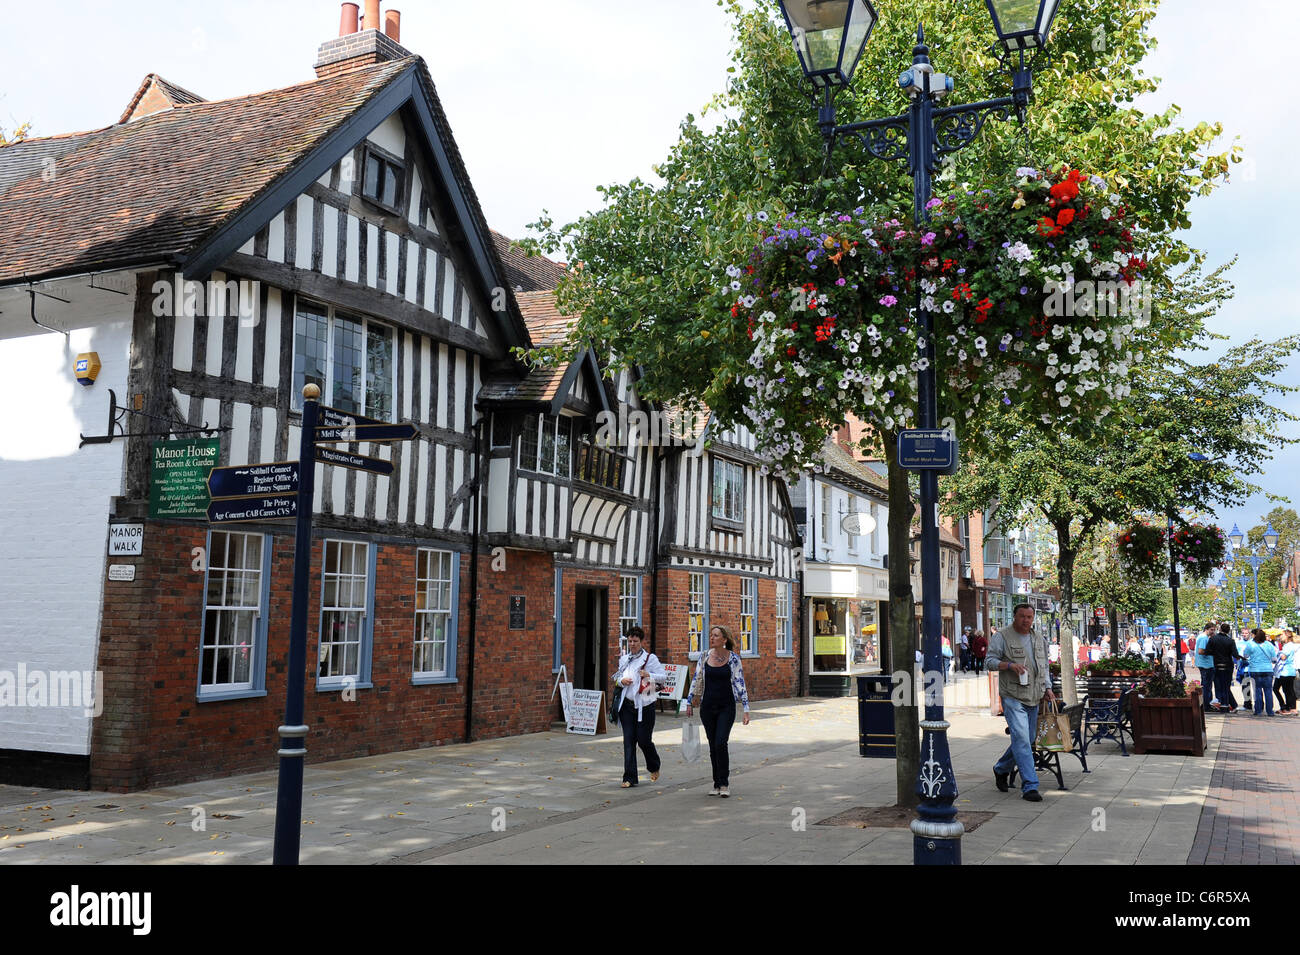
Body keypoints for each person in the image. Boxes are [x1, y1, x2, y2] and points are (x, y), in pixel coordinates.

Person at [987, 603, 1054, 803]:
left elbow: (1044, 666)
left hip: (1035, 695)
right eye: (1022, 616)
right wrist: (1009, 665)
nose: (1026, 620)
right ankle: (1030, 786)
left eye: (1029, 617)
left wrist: (1048, 688)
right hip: (1013, 696)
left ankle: (1001, 768)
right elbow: (989, 661)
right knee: (1023, 740)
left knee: (1027, 738)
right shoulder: (1002, 636)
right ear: (1014, 616)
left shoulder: (1038, 638)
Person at [684, 625, 751, 797]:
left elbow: (740, 682)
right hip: (707, 707)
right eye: (711, 635)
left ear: (724, 639)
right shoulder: (704, 656)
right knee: (713, 745)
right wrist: (689, 701)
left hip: (726, 707)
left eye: (715, 635)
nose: (711, 638)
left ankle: (724, 783)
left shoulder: (734, 659)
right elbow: (696, 678)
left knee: (721, 742)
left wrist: (745, 708)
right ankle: (716, 783)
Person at [612, 627, 666, 788]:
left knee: (643, 740)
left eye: (635, 641)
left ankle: (654, 765)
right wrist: (622, 681)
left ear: (641, 642)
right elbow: (616, 678)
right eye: (630, 641)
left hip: (645, 705)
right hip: (627, 707)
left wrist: (649, 675)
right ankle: (629, 777)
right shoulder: (624, 659)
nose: (632, 644)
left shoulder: (650, 659)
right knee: (628, 741)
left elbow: (663, 677)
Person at [1241, 628, 1277, 717]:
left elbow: (1246, 655)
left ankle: (1258, 710)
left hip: (1255, 670)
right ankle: (1270, 711)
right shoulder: (1269, 645)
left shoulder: (1250, 644)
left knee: (1257, 690)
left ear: (1254, 635)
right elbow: (1274, 658)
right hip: (1268, 670)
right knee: (1268, 691)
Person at [1207, 624, 1241, 713]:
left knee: (1218, 685)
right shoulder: (1230, 641)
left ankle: (1224, 704)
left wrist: (1215, 653)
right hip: (1228, 665)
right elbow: (1235, 654)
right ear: (1228, 631)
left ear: (1220, 629)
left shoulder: (1213, 639)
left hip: (1216, 664)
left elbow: (1208, 651)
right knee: (1226, 686)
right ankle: (1227, 705)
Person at [1194, 622, 1217, 711]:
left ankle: (1207, 704)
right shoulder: (1204, 638)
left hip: (1204, 664)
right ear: (1206, 629)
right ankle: (1206, 705)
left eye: (1214, 630)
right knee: (1207, 686)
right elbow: (1201, 651)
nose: (1213, 631)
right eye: (1211, 629)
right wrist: (1213, 652)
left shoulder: (1202, 637)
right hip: (1206, 665)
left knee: (1206, 685)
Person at [1274, 631, 1297, 714]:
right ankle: (1291, 708)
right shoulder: (1290, 645)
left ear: (1287, 636)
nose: (1281, 636)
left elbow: (1283, 657)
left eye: (1282, 634)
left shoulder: (1288, 646)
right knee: (1289, 690)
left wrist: (1278, 653)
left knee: (1282, 689)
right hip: (1289, 670)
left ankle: (1286, 708)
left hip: (1285, 671)